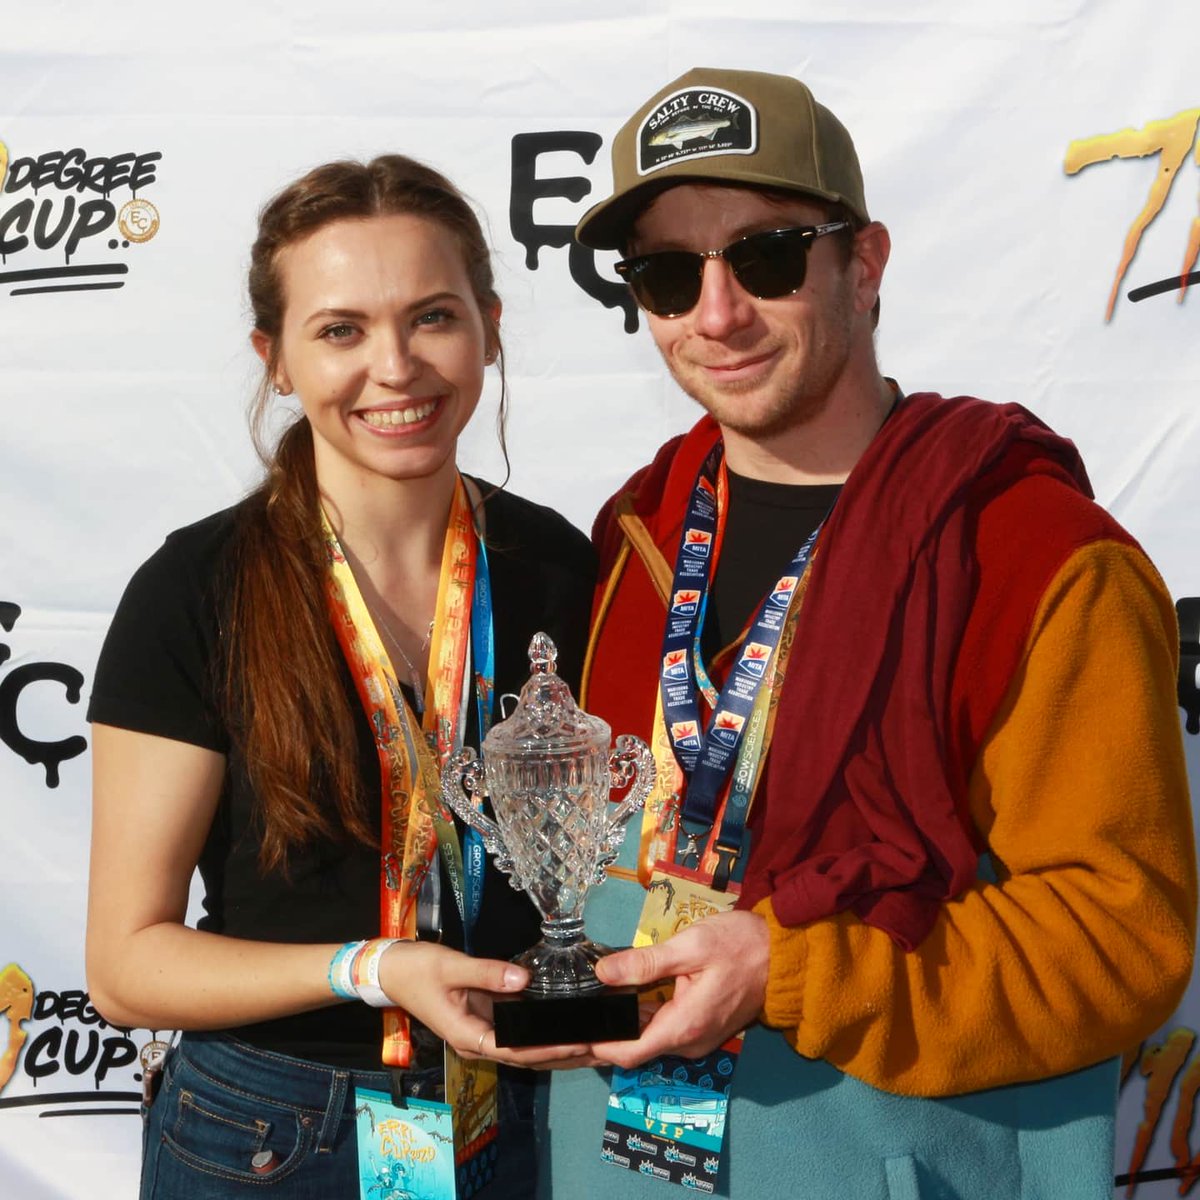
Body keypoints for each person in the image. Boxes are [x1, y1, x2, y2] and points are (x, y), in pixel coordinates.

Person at [542, 67, 1197, 1199]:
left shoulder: (1033, 553)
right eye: (666, 274)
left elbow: (1117, 936)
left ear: (866, 262)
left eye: (766, 257)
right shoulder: (637, 529)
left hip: (896, 1158)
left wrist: (797, 973)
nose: (716, 314)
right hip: (619, 1161)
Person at [85, 155, 595, 1198]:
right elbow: (126, 967)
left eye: (432, 317)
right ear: (275, 360)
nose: (395, 367)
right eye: (341, 331)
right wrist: (372, 968)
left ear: (491, 328)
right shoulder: (198, 587)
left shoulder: (559, 565)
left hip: (524, 1114)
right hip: (270, 1134)